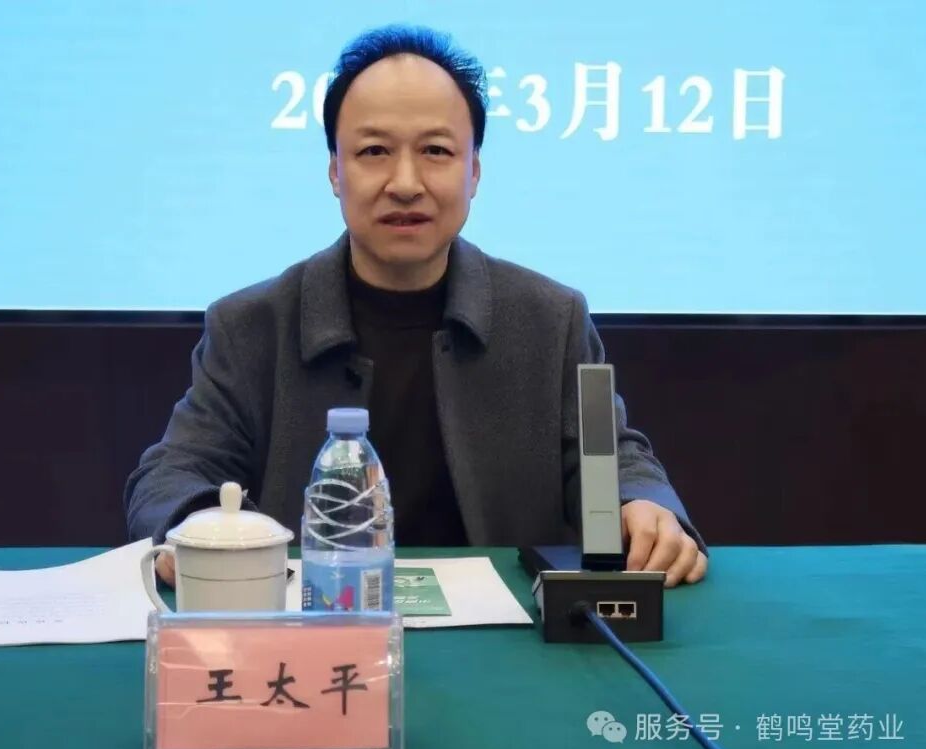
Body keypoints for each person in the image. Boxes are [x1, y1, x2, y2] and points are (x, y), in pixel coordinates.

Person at [125, 24, 708, 589]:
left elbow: (610, 459)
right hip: (317, 620)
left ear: (473, 171)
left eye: (435, 150)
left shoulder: (550, 318)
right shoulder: (252, 325)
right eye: (374, 150)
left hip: (509, 630)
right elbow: (172, 473)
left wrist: (643, 504)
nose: (405, 182)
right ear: (334, 171)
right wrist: (195, 525)